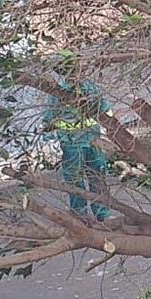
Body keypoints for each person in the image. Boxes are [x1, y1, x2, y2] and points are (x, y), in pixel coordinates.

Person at [43, 81, 112, 222]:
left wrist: (48, 138)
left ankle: (83, 215)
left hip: (75, 141)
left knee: (78, 178)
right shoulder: (90, 86)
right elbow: (106, 110)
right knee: (95, 176)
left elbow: (49, 117)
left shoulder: (59, 89)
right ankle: (99, 215)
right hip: (86, 140)